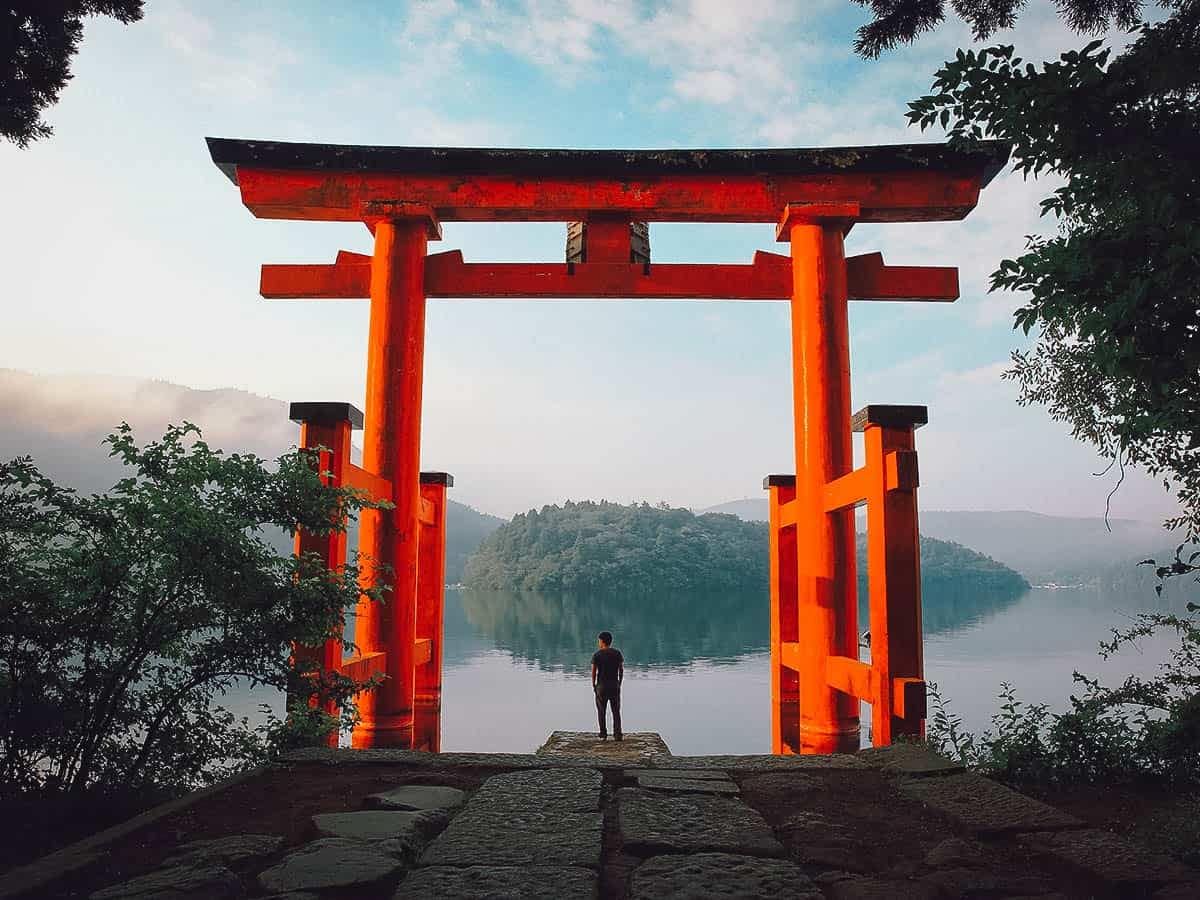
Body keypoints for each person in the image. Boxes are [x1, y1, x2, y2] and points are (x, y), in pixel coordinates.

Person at [591, 630, 623, 741]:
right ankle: (617, 734)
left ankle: (603, 734)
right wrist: (619, 682)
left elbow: (594, 672)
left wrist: (594, 685)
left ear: (602, 641)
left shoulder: (597, 655)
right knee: (616, 711)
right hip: (614, 685)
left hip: (601, 686)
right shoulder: (617, 653)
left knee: (601, 711)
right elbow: (621, 669)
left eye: (599, 641)